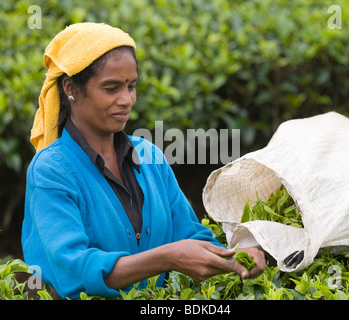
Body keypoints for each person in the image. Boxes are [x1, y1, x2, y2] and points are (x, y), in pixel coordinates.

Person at [21, 22, 265, 299]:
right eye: (111, 88)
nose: (126, 100)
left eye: (132, 86)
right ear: (70, 88)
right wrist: (166, 257)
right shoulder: (51, 170)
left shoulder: (150, 157)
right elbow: (74, 271)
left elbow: (189, 235)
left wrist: (235, 257)